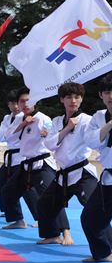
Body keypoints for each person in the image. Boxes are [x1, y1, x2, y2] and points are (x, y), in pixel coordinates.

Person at [36, 83, 97, 245]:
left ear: (81, 99)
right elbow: (49, 144)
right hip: (63, 174)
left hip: (82, 173)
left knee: (96, 210)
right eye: (69, 97)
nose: (73, 101)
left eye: (77, 97)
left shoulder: (87, 121)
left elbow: (94, 140)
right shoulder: (56, 122)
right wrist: (67, 128)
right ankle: (53, 235)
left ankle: (107, 247)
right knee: (44, 204)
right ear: (62, 99)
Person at [1, 88, 57, 229]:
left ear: (35, 102)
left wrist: (46, 133)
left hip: (42, 163)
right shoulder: (19, 118)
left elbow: (51, 135)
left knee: (47, 196)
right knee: (8, 190)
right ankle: (18, 220)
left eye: (28, 101)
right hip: (26, 163)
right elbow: (8, 136)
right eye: (22, 101)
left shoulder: (43, 118)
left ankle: (60, 230)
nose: (25, 104)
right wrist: (23, 124)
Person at [81, 74, 112, 262]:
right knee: (90, 218)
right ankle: (104, 253)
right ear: (101, 95)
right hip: (108, 178)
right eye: (108, 92)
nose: (111, 96)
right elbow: (91, 141)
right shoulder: (99, 117)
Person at [0, 90, 23, 217]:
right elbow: (0, 137)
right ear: (8, 105)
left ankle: (40, 217)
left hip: (23, 157)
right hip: (10, 158)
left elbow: (12, 136)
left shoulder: (25, 117)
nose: (15, 106)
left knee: (26, 190)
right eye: (12, 103)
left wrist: (8, 134)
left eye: (17, 103)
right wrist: (8, 134)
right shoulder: (7, 118)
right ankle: (7, 210)